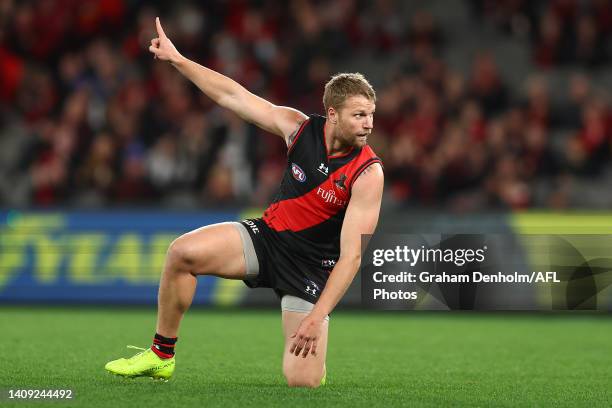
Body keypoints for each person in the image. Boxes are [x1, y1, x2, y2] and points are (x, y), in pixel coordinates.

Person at [105, 17, 384, 388]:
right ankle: (161, 356)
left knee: (302, 383)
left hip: (311, 271)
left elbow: (351, 256)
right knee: (181, 253)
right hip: (266, 240)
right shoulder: (300, 128)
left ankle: (312, 360)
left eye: (370, 115)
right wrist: (177, 60)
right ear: (332, 114)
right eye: (359, 115)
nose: (368, 124)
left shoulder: (367, 173)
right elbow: (232, 96)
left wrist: (317, 317)